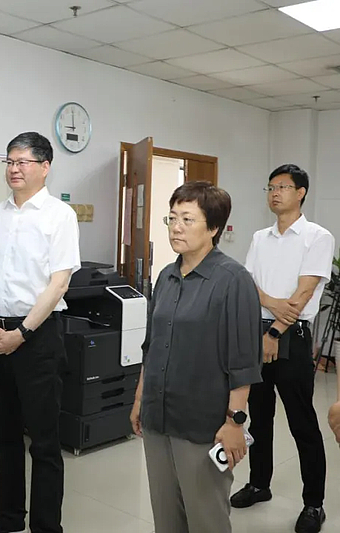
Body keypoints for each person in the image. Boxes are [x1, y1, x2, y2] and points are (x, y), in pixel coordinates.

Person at [130, 181, 262, 533]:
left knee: (206, 519)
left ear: (214, 228)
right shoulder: (166, 276)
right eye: (172, 218)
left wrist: (235, 422)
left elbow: (244, 361)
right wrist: (140, 399)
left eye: (187, 219)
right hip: (158, 416)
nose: (176, 227)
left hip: (202, 425)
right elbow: (152, 346)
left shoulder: (233, 280)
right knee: (166, 517)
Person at [0, 132, 80, 533]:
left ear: (44, 167)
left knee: (45, 441)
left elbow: (59, 283)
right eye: (10, 162)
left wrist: (22, 333)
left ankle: (47, 527)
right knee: (4, 435)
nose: (14, 169)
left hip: (38, 336)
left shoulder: (59, 215)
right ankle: (9, 517)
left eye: (23, 162)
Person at [231, 164, 334, 533]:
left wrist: (274, 331)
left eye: (283, 187)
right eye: (271, 187)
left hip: (292, 335)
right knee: (259, 416)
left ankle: (314, 504)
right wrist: (272, 306)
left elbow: (304, 292)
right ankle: (259, 484)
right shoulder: (260, 237)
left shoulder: (317, 237)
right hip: (255, 333)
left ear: (301, 192)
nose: (275, 193)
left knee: (302, 421)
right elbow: (247, 284)